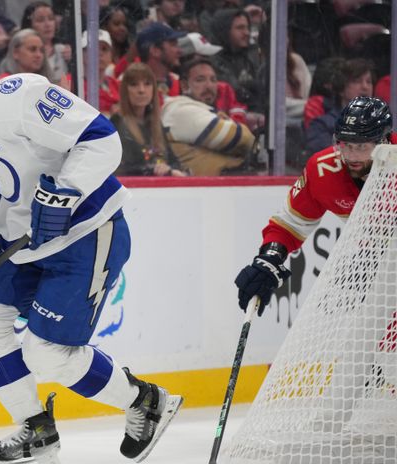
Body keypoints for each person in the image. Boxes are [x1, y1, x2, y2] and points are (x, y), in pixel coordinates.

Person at [0, 28, 183, 464]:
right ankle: (36, 431)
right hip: (24, 246)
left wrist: (64, 192)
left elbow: (102, 138)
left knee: (47, 354)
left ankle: (145, 400)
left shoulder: (25, 95)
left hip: (87, 232)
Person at [235, 96, 395, 316]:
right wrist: (271, 257)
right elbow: (289, 226)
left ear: (384, 142)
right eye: (345, 144)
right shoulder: (323, 170)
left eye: (361, 146)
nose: (351, 155)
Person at [162, 57, 255, 175]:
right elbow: (243, 138)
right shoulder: (179, 109)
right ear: (184, 86)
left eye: (213, 80)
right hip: (195, 190)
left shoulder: (204, 110)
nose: (209, 86)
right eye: (200, 80)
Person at [110, 63, 185, 176]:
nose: (141, 90)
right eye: (134, 84)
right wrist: (153, 170)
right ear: (125, 90)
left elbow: (174, 162)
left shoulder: (155, 123)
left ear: (153, 90)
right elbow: (121, 169)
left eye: (147, 84)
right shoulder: (117, 122)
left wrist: (170, 169)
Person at [306, 58, 374, 154]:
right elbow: (327, 159)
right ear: (341, 88)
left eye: (369, 81)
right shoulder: (321, 126)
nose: (365, 87)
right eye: (357, 81)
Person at [21, 1, 70, 87]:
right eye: (40, 20)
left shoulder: (65, 51)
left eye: (51, 19)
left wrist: (73, 60)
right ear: (29, 25)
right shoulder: (23, 52)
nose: (47, 24)